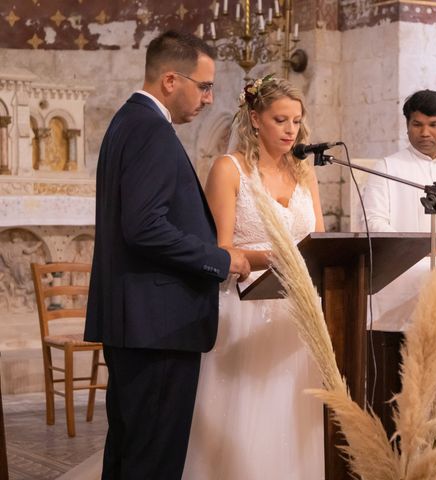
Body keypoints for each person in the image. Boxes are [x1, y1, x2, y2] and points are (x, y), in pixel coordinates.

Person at [84, 30, 250, 480]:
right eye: (205, 86)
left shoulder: (128, 122)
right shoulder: (150, 130)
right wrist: (220, 259)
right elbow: (144, 227)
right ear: (171, 80)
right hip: (158, 325)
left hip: (138, 321)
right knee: (152, 461)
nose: (210, 99)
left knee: (130, 454)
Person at [182, 74, 325, 479]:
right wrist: (273, 258)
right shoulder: (229, 170)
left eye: (296, 121)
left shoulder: (304, 170)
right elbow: (220, 250)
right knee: (247, 416)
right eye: (280, 120)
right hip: (246, 305)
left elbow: (319, 237)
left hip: (299, 308)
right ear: (255, 118)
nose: (290, 130)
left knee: (293, 415)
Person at [362, 89, 436, 255]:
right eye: (417, 125)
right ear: (407, 126)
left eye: (433, 125)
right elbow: (372, 222)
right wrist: (414, 246)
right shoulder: (386, 168)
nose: (425, 133)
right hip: (404, 270)